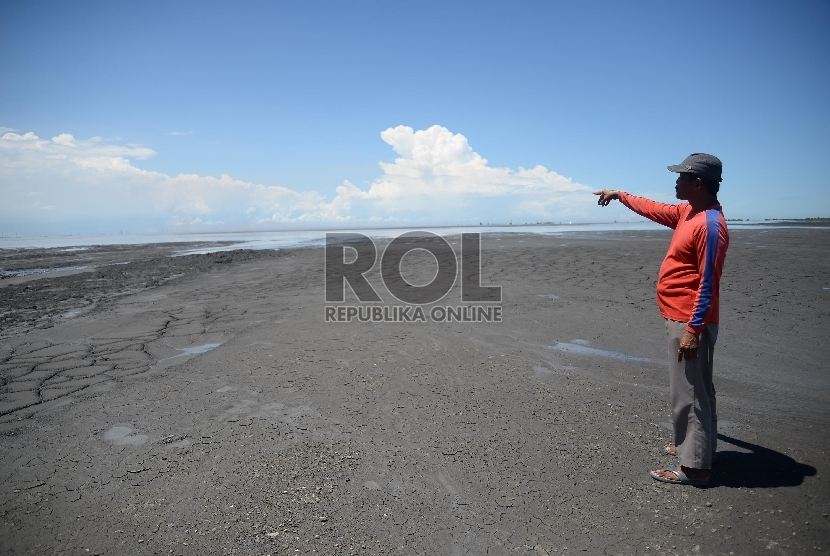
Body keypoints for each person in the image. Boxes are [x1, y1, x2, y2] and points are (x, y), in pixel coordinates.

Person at [593, 153, 729, 486]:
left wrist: (693, 330)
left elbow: (708, 282)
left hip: (689, 320)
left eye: (681, 177)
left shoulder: (710, 225)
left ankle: (694, 467)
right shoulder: (689, 212)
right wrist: (621, 195)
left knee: (689, 393)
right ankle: (699, 449)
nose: (676, 182)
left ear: (697, 184)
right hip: (684, 317)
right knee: (699, 388)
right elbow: (655, 209)